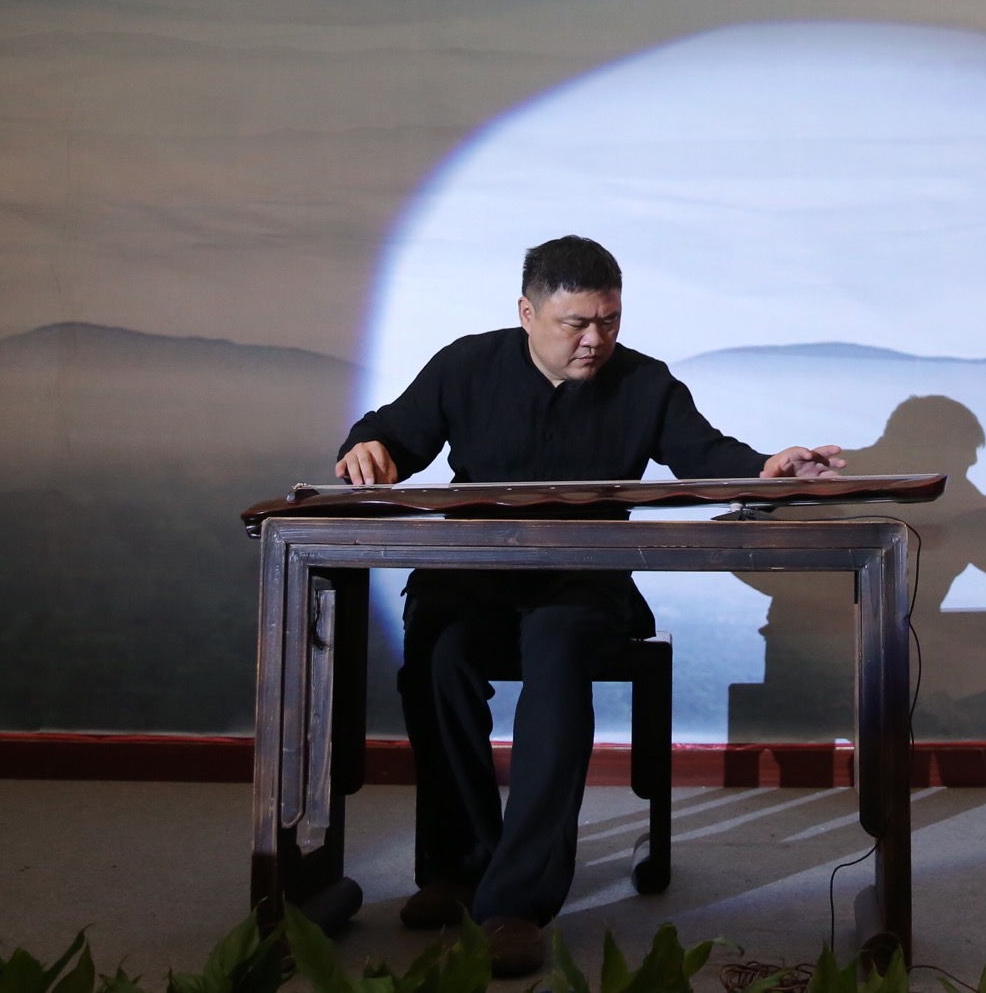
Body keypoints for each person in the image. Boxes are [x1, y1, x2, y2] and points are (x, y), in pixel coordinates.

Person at [334, 234, 843, 974]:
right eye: (576, 323)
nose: (595, 340)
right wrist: (368, 448)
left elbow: (705, 457)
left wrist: (770, 467)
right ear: (527, 313)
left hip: (584, 582)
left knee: (557, 652)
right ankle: (458, 867)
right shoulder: (466, 365)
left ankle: (515, 903)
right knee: (439, 658)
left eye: (609, 320)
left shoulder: (645, 382)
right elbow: (390, 435)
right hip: (474, 577)